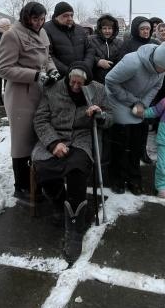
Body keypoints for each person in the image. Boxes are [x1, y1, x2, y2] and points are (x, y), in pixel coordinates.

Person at [33, 61, 111, 264]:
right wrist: (53, 143)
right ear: (68, 78)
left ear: (87, 82)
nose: (76, 86)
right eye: (73, 82)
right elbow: (40, 119)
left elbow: (111, 117)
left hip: (82, 138)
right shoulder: (53, 88)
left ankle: (74, 229)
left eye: (80, 84)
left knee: (77, 169)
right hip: (55, 136)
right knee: (44, 166)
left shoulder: (98, 90)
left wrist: (100, 114)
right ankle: (60, 204)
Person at [0, 2, 59, 201]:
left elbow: (46, 57)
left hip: (41, 90)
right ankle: (21, 186)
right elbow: (3, 69)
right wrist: (34, 75)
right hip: (21, 93)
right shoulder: (12, 35)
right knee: (22, 140)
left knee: (38, 135)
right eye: (35, 19)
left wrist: (52, 70)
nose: (39, 23)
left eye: (42, 19)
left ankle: (37, 179)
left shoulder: (42, 33)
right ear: (26, 17)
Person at [105, 40, 165, 194]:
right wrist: (133, 102)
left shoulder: (163, 69)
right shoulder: (133, 62)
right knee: (121, 139)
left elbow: (157, 86)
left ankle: (134, 177)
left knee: (138, 139)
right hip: (118, 99)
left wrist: (143, 104)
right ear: (154, 61)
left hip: (138, 102)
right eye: (162, 68)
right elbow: (110, 81)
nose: (164, 71)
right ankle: (116, 176)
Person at [89, 14, 122, 84]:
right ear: (100, 29)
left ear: (114, 29)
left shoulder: (119, 43)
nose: (107, 31)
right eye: (104, 28)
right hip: (95, 80)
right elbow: (86, 56)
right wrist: (97, 62)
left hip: (113, 81)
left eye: (110, 28)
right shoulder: (91, 40)